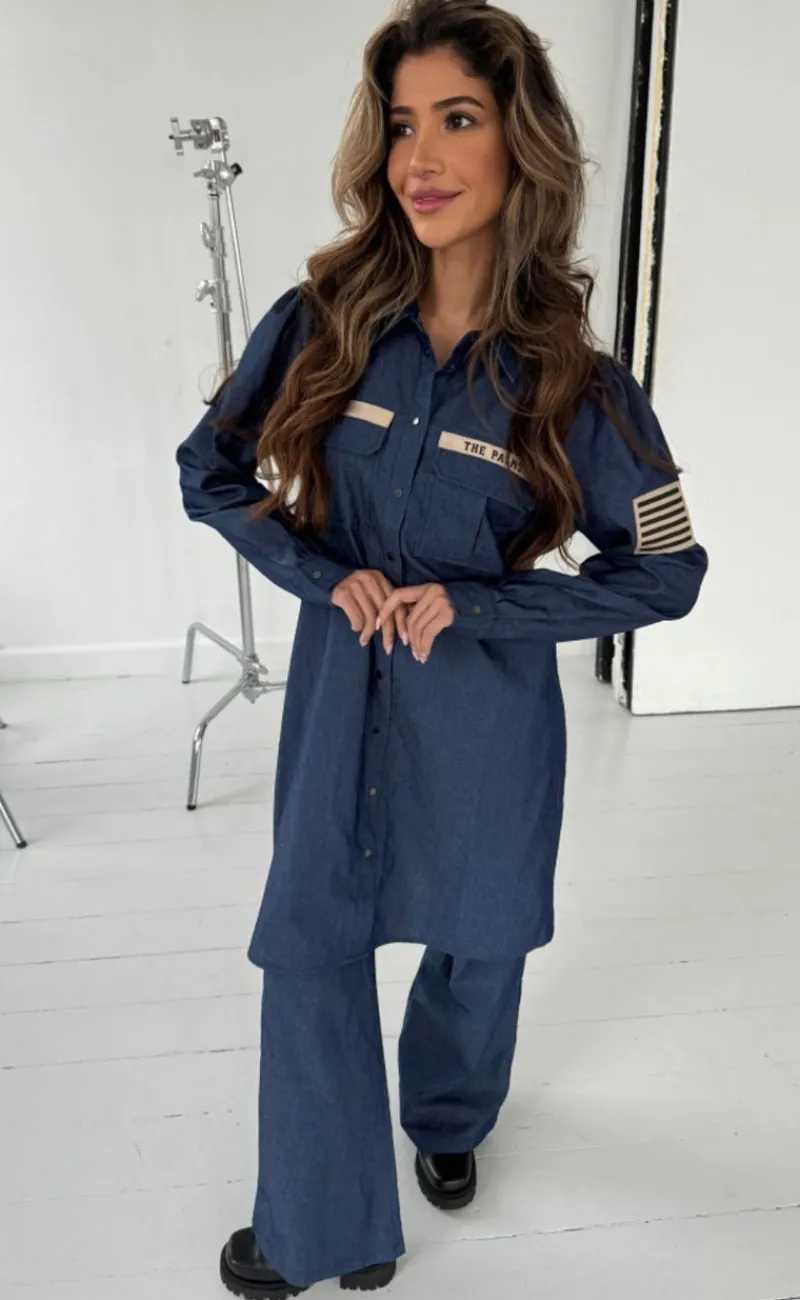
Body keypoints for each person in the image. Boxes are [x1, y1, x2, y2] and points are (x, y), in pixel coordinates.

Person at [175, 0, 708, 1294]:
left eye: (456, 119)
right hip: (338, 700)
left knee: (482, 941)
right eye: (402, 123)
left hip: (487, 722)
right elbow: (211, 470)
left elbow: (669, 573)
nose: (419, 156)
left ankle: (450, 1117)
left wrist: (482, 606)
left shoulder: (577, 382)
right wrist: (326, 572)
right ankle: (320, 1229)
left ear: (522, 145)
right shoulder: (322, 320)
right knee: (310, 944)